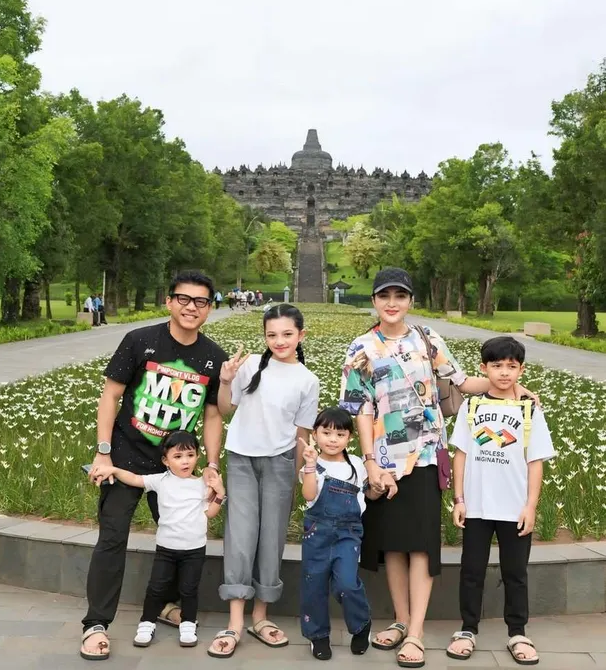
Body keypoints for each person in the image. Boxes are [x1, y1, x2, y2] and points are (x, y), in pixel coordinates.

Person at [339, 267, 539, 669]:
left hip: (427, 455)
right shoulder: (360, 348)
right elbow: (359, 408)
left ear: (410, 301)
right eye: (384, 296)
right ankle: (399, 619)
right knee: (392, 545)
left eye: (400, 295)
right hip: (385, 463)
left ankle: (415, 633)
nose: (392, 303)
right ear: (375, 301)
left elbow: (464, 383)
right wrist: (370, 461)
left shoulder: (428, 340)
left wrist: (516, 391)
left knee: (420, 546)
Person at [80, 270, 228, 661]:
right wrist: (103, 451)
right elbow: (111, 396)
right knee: (112, 539)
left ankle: (165, 605)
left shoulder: (213, 357)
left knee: (183, 535)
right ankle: (96, 623)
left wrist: (211, 465)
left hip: (175, 468)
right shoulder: (139, 341)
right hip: (126, 457)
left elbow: (213, 416)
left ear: (209, 309)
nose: (191, 307)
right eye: (183, 298)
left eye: (200, 301)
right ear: (169, 301)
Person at [207, 304, 320, 659]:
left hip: (281, 464)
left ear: (301, 335)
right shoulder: (251, 364)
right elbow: (225, 408)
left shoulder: (307, 380)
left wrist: (301, 473)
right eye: (272, 335)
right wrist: (225, 380)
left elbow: (302, 433)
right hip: (241, 460)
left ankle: (261, 617)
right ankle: (236, 622)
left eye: (287, 334)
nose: (279, 341)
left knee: (271, 538)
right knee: (240, 538)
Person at [446, 337, 555, 665]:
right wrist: (459, 499)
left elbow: (536, 461)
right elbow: (460, 455)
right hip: (477, 506)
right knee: (472, 570)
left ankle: (518, 632)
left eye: (511, 366)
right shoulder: (472, 406)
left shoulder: (529, 409)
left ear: (521, 369)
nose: (504, 372)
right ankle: (467, 630)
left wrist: (531, 505)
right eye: (496, 365)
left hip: (514, 508)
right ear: (484, 368)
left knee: (515, 572)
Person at [93, 430, 227, 649]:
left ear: (197, 456)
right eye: (178, 457)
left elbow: (209, 513)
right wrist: (114, 469)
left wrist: (219, 494)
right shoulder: (160, 481)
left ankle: (188, 624)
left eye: (190, 455)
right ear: (165, 460)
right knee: (156, 588)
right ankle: (147, 623)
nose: (185, 461)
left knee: (189, 589)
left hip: (194, 549)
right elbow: (135, 479)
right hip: (166, 549)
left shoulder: (202, 484)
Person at [299, 407, 393, 660]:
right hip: (316, 533)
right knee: (314, 585)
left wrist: (379, 488)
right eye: (326, 432)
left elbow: (368, 495)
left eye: (339, 434)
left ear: (349, 437)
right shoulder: (313, 464)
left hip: (348, 534)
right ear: (315, 434)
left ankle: (361, 625)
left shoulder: (357, 464)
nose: (332, 439)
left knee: (347, 584)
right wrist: (308, 466)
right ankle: (318, 636)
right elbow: (308, 496)